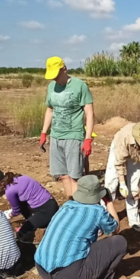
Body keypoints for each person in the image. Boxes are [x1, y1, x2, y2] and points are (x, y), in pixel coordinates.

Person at [35, 175, 126, 279]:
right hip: (69, 276)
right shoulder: (97, 211)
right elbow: (115, 229)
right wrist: (108, 202)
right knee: (120, 242)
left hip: (42, 270)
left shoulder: (66, 206)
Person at [40, 56, 95, 198]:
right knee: (63, 175)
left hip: (74, 136)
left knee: (75, 176)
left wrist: (88, 138)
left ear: (64, 69)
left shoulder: (79, 86)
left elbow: (89, 113)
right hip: (56, 136)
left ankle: (78, 206)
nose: (54, 79)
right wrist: (44, 132)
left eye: (56, 74)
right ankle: (71, 203)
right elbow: (50, 110)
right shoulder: (51, 87)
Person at [104, 122, 140, 233]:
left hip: (136, 155)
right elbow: (119, 163)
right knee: (111, 185)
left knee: (134, 189)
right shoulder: (124, 137)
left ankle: (134, 221)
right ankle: (104, 221)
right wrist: (122, 183)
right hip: (120, 148)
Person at [0, 169, 59, 242]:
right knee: (21, 203)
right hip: (51, 203)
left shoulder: (10, 191)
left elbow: (16, 211)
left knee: (23, 232)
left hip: (46, 211)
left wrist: (8, 214)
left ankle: (40, 225)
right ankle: (34, 220)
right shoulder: (20, 177)